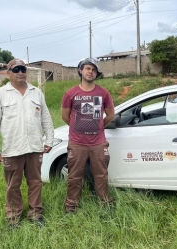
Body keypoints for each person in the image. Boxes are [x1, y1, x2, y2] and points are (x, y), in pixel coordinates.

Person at [0, 58, 54, 227]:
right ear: (8, 73)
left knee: (36, 182)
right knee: (12, 186)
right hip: (12, 149)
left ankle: (35, 214)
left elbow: (46, 118)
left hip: (34, 147)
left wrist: (50, 139)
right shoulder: (0, 94)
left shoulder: (36, 92)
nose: (20, 72)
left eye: (23, 69)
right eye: (16, 69)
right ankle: (14, 217)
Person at [61, 58, 115, 213]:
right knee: (74, 177)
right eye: (88, 68)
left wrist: (98, 127)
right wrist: (78, 127)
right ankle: (71, 206)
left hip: (98, 143)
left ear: (96, 74)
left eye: (94, 70)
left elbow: (110, 115)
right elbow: (65, 115)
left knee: (101, 175)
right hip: (77, 143)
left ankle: (105, 204)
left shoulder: (103, 93)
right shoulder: (70, 93)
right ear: (80, 71)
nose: (90, 72)